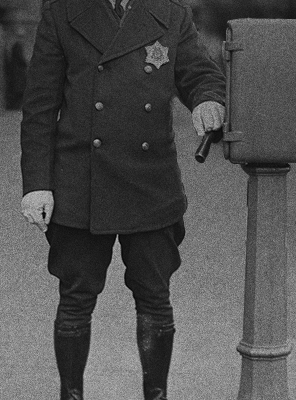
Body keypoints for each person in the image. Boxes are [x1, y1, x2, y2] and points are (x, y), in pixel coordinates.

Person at [19, 0, 225, 398]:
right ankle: (71, 395)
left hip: (149, 182)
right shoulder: (63, 12)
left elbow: (199, 74)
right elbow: (39, 106)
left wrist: (207, 99)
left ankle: (156, 394)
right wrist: (36, 184)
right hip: (80, 181)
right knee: (76, 298)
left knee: (154, 296)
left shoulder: (172, 13)